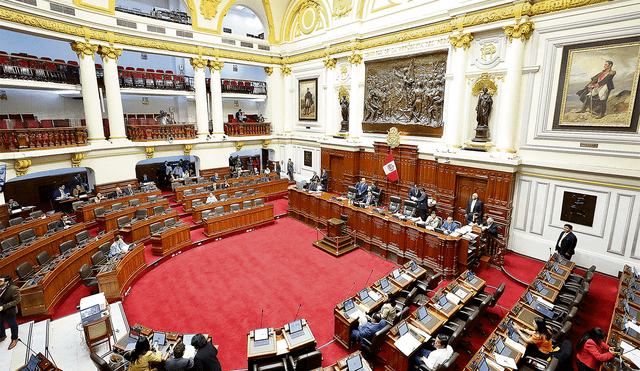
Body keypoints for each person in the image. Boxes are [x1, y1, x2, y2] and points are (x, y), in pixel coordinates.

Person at [0, 275, 21, 350]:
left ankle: (14, 339)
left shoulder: (13, 289)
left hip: (9, 311)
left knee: (12, 325)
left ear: (7, 282)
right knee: (0, 323)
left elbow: (16, 301)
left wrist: (3, 307)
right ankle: (2, 335)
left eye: (1, 281)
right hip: (0, 312)